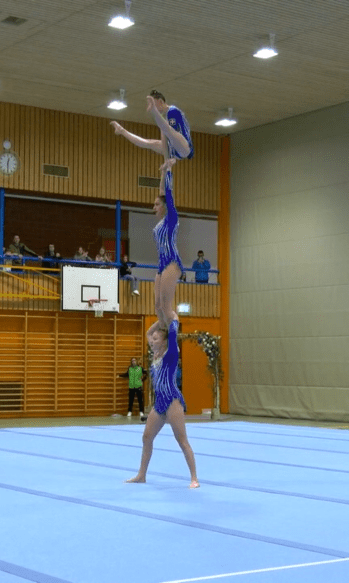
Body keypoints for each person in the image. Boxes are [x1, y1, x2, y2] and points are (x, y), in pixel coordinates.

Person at [127, 320, 198, 488]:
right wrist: (159, 321)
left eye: (156, 339)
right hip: (159, 402)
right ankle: (142, 475)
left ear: (165, 341)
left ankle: (194, 478)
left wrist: (169, 317)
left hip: (172, 400)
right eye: (153, 339)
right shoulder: (155, 354)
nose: (152, 341)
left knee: (182, 440)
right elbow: (148, 333)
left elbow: (173, 328)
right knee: (146, 437)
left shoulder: (171, 354)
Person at [110, 89, 194, 162]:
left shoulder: (173, 111)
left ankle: (154, 112)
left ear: (161, 102)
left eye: (154, 104)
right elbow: (164, 138)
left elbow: (171, 132)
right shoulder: (165, 119)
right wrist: (166, 160)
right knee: (148, 143)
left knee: (168, 130)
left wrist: (168, 159)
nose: (149, 105)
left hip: (185, 148)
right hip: (174, 148)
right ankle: (122, 130)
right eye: (151, 105)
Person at [153, 158, 182, 325]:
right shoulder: (160, 224)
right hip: (161, 264)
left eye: (157, 205)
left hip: (171, 261)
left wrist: (169, 170)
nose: (154, 207)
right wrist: (163, 172)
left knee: (166, 306)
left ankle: (173, 334)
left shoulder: (171, 219)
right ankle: (164, 334)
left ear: (164, 206)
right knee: (158, 306)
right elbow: (162, 192)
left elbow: (168, 195)